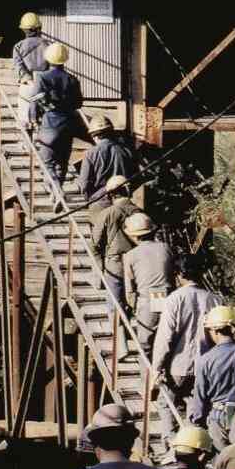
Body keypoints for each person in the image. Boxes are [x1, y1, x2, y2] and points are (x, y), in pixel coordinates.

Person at [151, 253, 221, 452]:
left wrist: (157, 367)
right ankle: (192, 447)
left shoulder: (175, 299)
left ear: (180, 274)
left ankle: (170, 445)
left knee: (166, 403)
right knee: (195, 407)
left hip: (178, 365)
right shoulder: (214, 299)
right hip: (205, 365)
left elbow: (165, 337)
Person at [188, 306, 235, 453]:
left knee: (222, 462)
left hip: (218, 418)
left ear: (214, 330)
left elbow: (200, 396)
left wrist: (197, 422)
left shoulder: (205, 360)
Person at [91, 176, 139, 360]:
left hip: (115, 264)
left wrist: (99, 269)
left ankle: (122, 346)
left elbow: (94, 244)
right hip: (136, 264)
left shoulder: (107, 214)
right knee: (132, 302)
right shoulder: (139, 212)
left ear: (111, 194)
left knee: (114, 305)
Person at [29, 42, 86, 192]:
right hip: (68, 125)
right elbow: (79, 103)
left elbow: (34, 100)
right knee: (63, 163)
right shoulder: (73, 79)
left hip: (50, 126)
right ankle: (57, 191)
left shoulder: (42, 78)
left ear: (48, 59)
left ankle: (57, 191)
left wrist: (33, 119)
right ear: (64, 59)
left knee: (47, 163)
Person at [123, 213, 174, 362]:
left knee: (145, 343)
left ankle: (146, 378)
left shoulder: (130, 255)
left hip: (147, 298)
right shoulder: (165, 248)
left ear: (134, 236)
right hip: (167, 295)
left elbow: (130, 288)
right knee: (165, 338)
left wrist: (133, 307)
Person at [80, 115, 136, 212]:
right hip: (123, 201)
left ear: (94, 135)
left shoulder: (90, 153)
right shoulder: (127, 151)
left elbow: (84, 184)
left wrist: (89, 199)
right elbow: (135, 177)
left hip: (100, 201)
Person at [13, 12, 48, 126]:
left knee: (25, 118)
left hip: (27, 85)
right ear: (39, 28)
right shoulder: (48, 45)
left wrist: (29, 80)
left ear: (24, 30)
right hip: (44, 84)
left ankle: (26, 143)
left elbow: (19, 66)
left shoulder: (18, 46)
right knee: (43, 118)